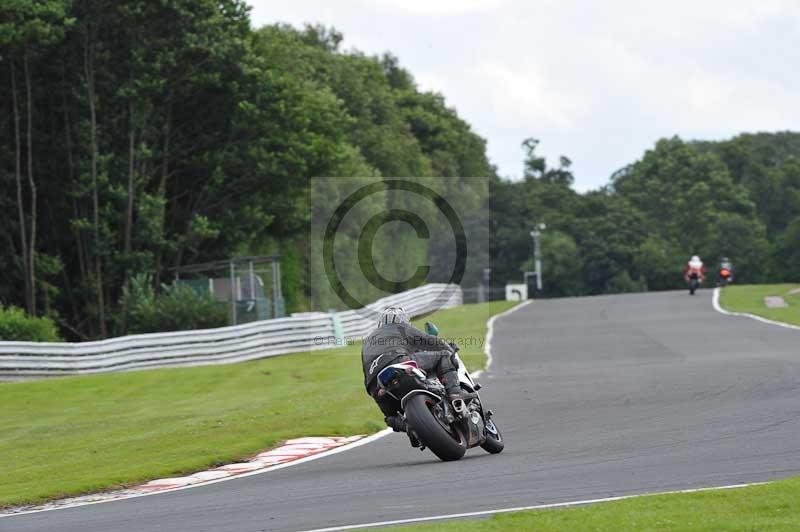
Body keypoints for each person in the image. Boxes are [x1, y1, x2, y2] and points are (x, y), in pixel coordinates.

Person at [362, 307, 462, 436]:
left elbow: (365, 373)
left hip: (375, 384)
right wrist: (449, 349)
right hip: (398, 362)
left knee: (391, 417)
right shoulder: (400, 327)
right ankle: (455, 395)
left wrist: (375, 391)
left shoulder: (367, 342)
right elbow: (430, 341)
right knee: (443, 356)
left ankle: (409, 428)